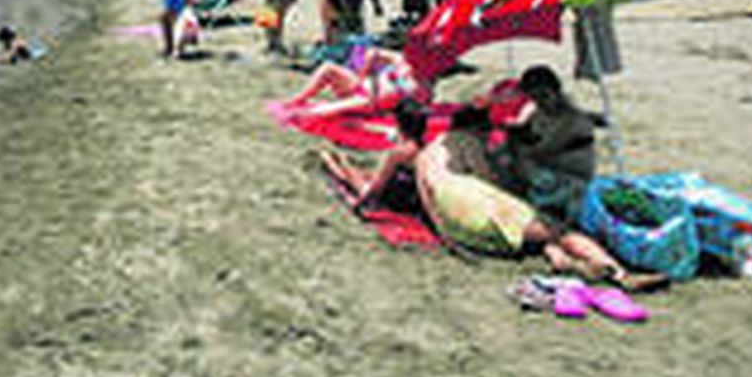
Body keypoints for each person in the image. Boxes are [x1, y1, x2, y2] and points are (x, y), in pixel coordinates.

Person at [322, 101, 662, 290]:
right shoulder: (464, 144)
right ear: (478, 128)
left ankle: (562, 260)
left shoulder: (429, 154)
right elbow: (490, 186)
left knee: (533, 232)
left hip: (456, 220)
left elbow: (427, 198)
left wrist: (445, 235)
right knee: (560, 228)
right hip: (471, 199)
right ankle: (618, 273)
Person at [503, 65, 601, 226]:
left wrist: (516, 137)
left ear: (553, 92)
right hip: (554, 169)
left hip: (572, 179)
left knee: (518, 164)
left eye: (542, 96)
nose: (538, 101)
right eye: (533, 97)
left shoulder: (571, 118)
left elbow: (542, 148)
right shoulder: (545, 112)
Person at [281, 46, 424, 120]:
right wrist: (366, 69)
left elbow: (411, 102)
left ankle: (299, 112)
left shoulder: (419, 81)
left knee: (327, 110)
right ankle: (299, 98)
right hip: (360, 86)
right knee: (328, 67)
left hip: (369, 101)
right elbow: (373, 52)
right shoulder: (400, 60)